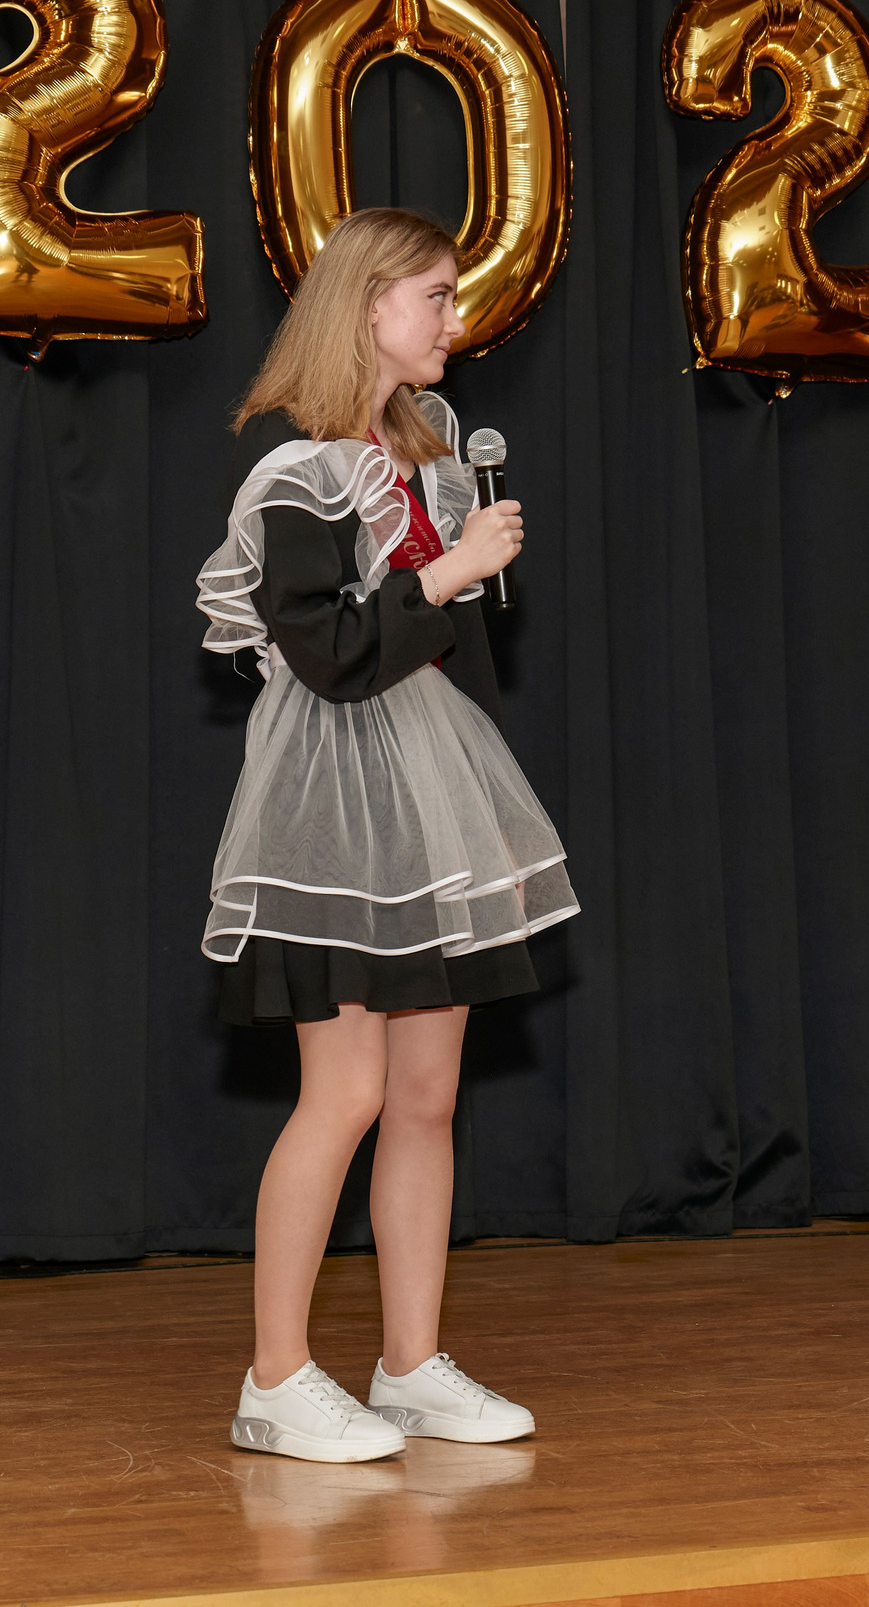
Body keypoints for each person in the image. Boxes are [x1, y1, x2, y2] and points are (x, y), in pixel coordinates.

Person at [195, 207, 579, 1461]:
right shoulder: (298, 472)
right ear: (366, 305)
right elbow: (333, 655)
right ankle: (275, 1375)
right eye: (437, 297)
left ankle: (410, 1362)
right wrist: (448, 574)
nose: (455, 322)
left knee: (427, 1093)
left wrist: (454, 566)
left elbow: (432, 644)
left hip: (426, 796)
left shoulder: (424, 456)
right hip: (333, 812)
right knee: (345, 1091)